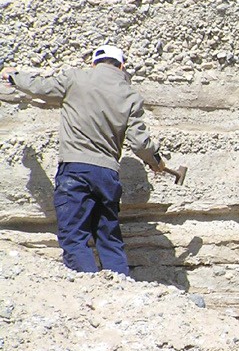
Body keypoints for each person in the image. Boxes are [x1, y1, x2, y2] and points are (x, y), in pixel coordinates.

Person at [2, 45, 170, 275]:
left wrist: (13, 76)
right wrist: (154, 160)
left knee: (74, 237)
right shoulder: (130, 95)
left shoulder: (76, 79)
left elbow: (40, 87)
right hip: (108, 175)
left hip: (75, 170)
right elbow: (140, 143)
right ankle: (121, 293)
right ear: (121, 66)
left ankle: (88, 289)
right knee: (109, 238)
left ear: (94, 63)